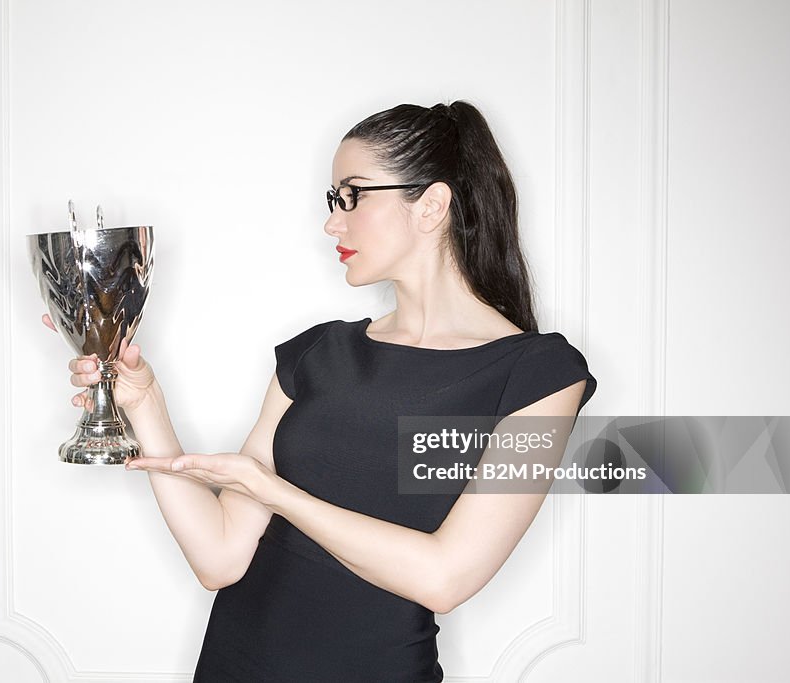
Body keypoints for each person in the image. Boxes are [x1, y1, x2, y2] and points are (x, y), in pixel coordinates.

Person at [43, 100, 597, 682]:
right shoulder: (314, 353)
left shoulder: (539, 375)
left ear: (431, 204)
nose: (333, 222)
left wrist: (277, 493)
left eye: (352, 195)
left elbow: (446, 576)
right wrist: (143, 404)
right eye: (333, 200)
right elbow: (220, 558)